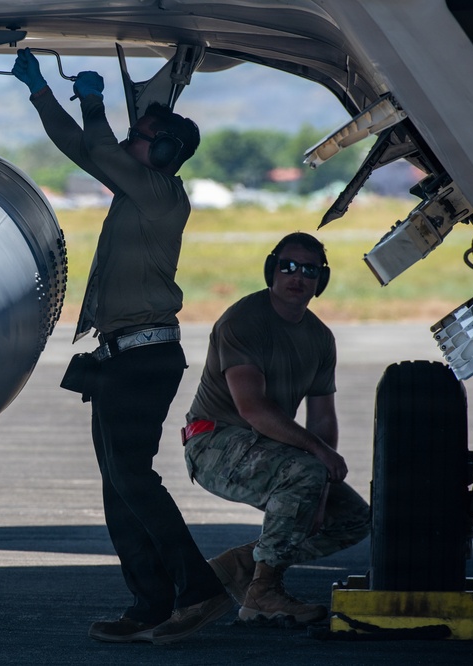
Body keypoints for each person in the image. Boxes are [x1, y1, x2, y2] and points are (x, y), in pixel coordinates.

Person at [12, 48, 233, 645]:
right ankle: (150, 604)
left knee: (133, 479)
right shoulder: (135, 188)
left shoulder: (159, 193)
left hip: (144, 357)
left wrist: (92, 102)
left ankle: (198, 590)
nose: (133, 144)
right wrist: (41, 95)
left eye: (143, 137)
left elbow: (100, 147)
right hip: (120, 357)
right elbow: (83, 148)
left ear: (164, 153)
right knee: (119, 483)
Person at [182, 232, 370, 624]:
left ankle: (243, 564)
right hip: (214, 441)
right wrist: (318, 458)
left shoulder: (320, 338)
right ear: (272, 270)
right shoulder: (244, 321)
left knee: (354, 518)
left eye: (308, 270)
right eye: (287, 267)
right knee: (305, 471)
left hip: (271, 448)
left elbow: (321, 419)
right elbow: (252, 409)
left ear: (321, 281)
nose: (296, 277)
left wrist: (321, 492)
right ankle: (263, 591)